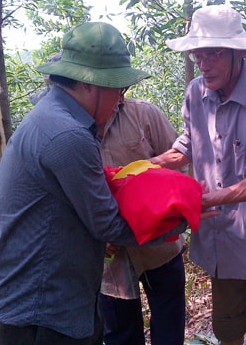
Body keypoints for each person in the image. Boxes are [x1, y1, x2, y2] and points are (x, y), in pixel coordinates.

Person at [0, 21, 188, 345]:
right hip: (42, 314)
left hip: (48, 304)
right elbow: (107, 223)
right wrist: (185, 215)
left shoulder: (49, 119)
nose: (121, 97)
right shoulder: (69, 136)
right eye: (117, 87)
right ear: (90, 84)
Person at [151, 5, 246, 345]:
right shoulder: (195, 93)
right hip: (220, 236)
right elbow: (187, 144)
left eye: (214, 54)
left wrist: (202, 201)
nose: (204, 65)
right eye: (199, 55)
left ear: (237, 54)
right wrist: (148, 166)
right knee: (227, 322)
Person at [98, 96, 186, 345]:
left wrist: (164, 214)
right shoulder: (70, 130)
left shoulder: (143, 114)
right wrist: (97, 234)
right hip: (110, 263)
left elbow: (180, 164)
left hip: (160, 247)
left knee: (169, 327)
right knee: (120, 334)